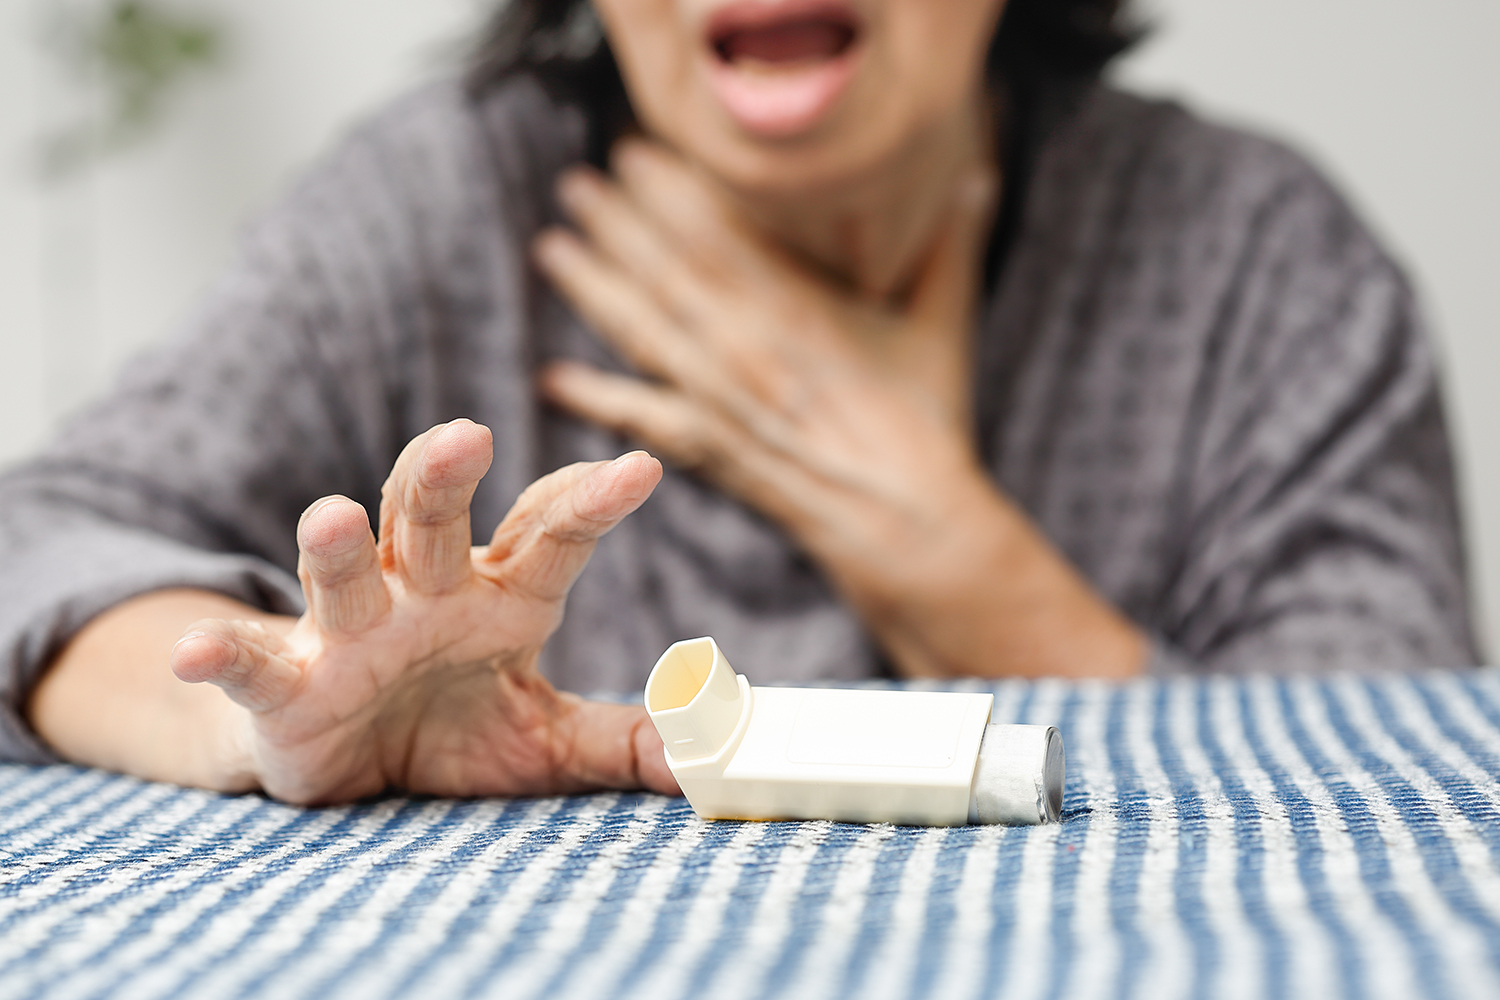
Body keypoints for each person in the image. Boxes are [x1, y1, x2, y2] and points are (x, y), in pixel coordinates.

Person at [0, 0, 1478, 804]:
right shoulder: (435, 204)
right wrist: (260, 724)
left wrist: (936, 536)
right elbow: (42, 544)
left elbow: (1403, 771)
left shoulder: (1260, 253)